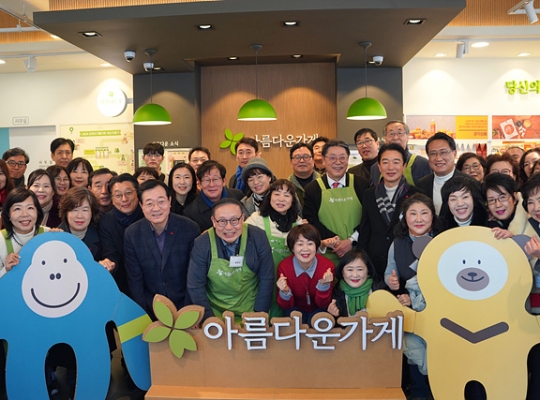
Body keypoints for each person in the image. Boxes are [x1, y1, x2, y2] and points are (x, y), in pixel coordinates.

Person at [385, 193, 441, 400]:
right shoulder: (397, 244)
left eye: (424, 213)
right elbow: (389, 271)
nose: (419, 219)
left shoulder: (442, 241)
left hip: (439, 311)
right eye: (413, 213)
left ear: (433, 216)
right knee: (415, 355)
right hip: (411, 312)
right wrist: (392, 282)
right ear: (404, 217)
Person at [188, 198, 274, 322]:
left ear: (242, 218)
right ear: (213, 221)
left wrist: (258, 315)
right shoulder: (202, 244)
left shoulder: (258, 237)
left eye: (234, 220)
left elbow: (266, 278)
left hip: (251, 310)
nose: (229, 227)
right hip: (215, 313)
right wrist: (210, 320)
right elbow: (195, 286)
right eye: (222, 221)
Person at [124, 180, 200, 319]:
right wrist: (143, 316)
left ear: (169, 201)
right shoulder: (132, 234)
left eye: (161, 201)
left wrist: (188, 310)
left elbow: (194, 275)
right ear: (141, 205)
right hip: (150, 309)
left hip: (184, 306)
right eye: (149, 203)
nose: (156, 208)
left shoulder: (189, 228)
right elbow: (135, 280)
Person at [358, 143, 423, 281]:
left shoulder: (416, 195)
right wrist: (362, 260)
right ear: (379, 166)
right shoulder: (369, 194)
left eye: (396, 162)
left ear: (404, 166)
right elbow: (365, 230)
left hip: (406, 261)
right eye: (385, 162)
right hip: (375, 262)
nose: (390, 167)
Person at [303, 140, 369, 265]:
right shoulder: (312, 189)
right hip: (327, 255)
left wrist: (351, 240)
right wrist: (336, 243)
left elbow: (369, 217)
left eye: (342, 158)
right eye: (332, 158)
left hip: (359, 255)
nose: (338, 162)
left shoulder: (362, 184)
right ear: (323, 160)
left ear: (348, 159)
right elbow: (312, 221)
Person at [246, 179, 304, 318]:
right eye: (277, 194)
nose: (281, 199)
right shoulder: (256, 219)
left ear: (293, 200)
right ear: (270, 197)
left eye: (287, 195)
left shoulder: (298, 222)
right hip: (263, 279)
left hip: (289, 281)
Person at [276, 224, 334, 325]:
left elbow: (323, 304)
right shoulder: (284, 267)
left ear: (316, 246)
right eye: (300, 244)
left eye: (310, 243)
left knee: (320, 322)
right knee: (293, 321)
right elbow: (286, 306)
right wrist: (285, 292)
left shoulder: (327, 266)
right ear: (292, 248)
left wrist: (323, 286)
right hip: (294, 309)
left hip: (319, 309)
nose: (305, 249)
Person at [99, 173, 144, 295]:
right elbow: (110, 253)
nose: (124, 199)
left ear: (137, 193)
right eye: (118, 195)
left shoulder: (148, 215)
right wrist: (109, 264)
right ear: (112, 199)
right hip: (122, 283)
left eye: (128, 193)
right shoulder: (106, 222)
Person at [58, 187, 114, 270]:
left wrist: (107, 264)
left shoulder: (101, 233)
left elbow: (111, 258)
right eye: (75, 210)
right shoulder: (57, 236)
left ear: (92, 212)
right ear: (66, 213)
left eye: (85, 210)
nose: (80, 216)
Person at [417, 132, 471, 214]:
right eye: (433, 153)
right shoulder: (422, 184)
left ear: (454, 154)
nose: (438, 158)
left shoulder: (469, 183)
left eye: (443, 152)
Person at [184, 160, 244, 232]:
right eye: (207, 180)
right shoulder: (191, 213)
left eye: (215, 179)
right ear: (199, 184)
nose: (211, 185)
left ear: (224, 181)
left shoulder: (238, 197)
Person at [0, 188, 47, 278]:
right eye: (17, 209)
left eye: (30, 208)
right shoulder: (0, 240)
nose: (24, 214)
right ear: (8, 214)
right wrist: (6, 269)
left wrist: (59, 237)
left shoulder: (48, 234)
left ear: (37, 211)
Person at [370, 121, 431, 186]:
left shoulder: (422, 164)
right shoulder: (375, 168)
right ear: (385, 138)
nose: (395, 137)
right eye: (391, 134)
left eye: (400, 133)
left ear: (407, 137)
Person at [327, 249, 378, 318]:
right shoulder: (336, 293)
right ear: (342, 272)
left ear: (368, 270)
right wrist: (334, 317)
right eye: (350, 270)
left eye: (360, 269)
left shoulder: (378, 289)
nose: (355, 275)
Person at [482, 172, 527, 238]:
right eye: (491, 200)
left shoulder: (531, 219)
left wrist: (512, 238)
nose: (498, 205)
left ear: (514, 198)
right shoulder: (485, 225)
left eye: (502, 197)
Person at [288, 143, 319, 207]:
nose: (302, 161)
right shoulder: (286, 186)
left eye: (306, 157)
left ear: (313, 160)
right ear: (291, 162)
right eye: (297, 157)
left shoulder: (324, 182)